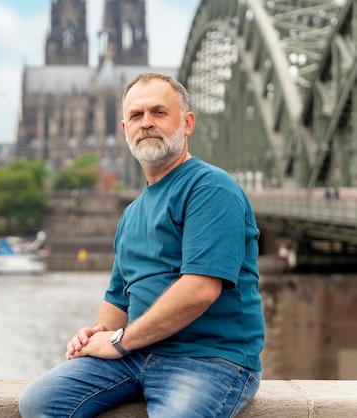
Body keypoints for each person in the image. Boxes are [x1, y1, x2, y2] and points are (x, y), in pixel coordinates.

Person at [19, 72, 265, 417]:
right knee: (40, 402)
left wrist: (120, 341)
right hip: (136, 357)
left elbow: (200, 290)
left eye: (159, 113)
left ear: (188, 123)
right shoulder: (132, 212)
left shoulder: (211, 188)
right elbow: (118, 297)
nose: (146, 123)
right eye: (136, 115)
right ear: (124, 130)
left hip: (208, 360)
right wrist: (98, 334)